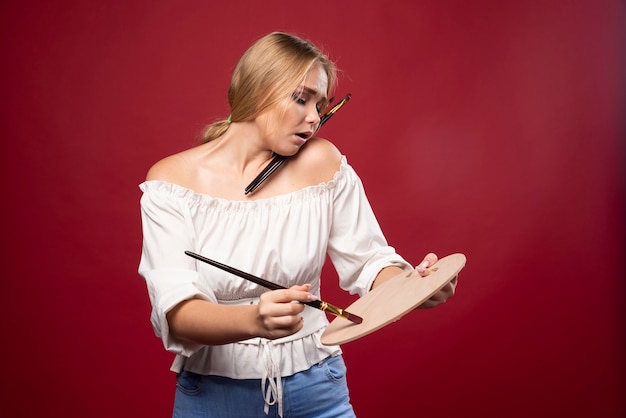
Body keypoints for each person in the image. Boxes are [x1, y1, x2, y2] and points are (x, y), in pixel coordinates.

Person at [138, 31, 457, 418]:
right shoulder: (173, 181)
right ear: (257, 90)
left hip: (317, 386)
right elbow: (178, 313)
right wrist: (253, 319)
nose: (314, 119)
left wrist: (412, 288)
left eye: (321, 105)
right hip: (213, 396)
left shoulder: (322, 162)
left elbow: (369, 262)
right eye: (301, 98)